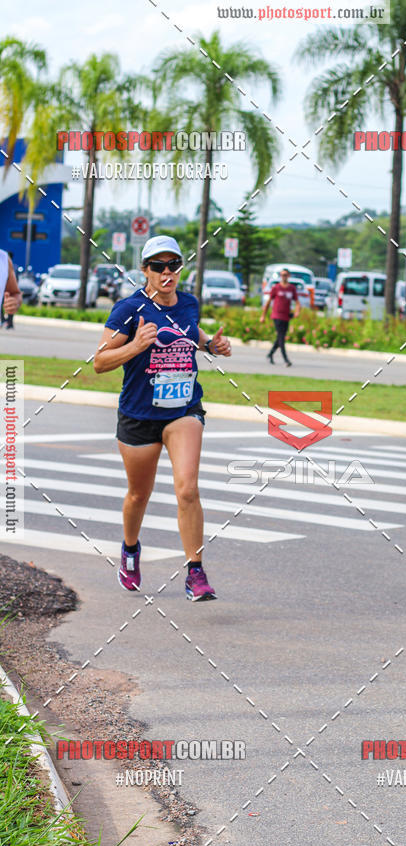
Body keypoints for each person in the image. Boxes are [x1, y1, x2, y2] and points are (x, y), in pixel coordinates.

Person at [93, 235, 232, 601]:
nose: (167, 272)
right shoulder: (128, 310)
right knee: (139, 494)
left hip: (183, 409)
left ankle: (195, 572)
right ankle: (130, 548)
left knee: (187, 488)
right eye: (159, 266)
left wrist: (212, 345)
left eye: (174, 265)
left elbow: (192, 334)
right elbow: (99, 362)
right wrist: (136, 345)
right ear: (145, 271)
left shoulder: (189, 304)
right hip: (139, 414)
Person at [260, 268, 300, 366]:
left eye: (285, 275)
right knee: (281, 337)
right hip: (277, 315)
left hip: (286, 316)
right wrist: (263, 315)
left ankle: (270, 354)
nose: (284, 276)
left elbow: (297, 302)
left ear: (288, 276)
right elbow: (268, 302)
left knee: (280, 337)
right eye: (282, 275)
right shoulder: (276, 288)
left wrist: (297, 311)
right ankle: (286, 360)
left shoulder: (292, 288)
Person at [0, 250, 22, 329]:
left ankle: (9, 323)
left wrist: (15, 301)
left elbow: (15, 293)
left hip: (5, 295)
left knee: (6, 309)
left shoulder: (4, 259)